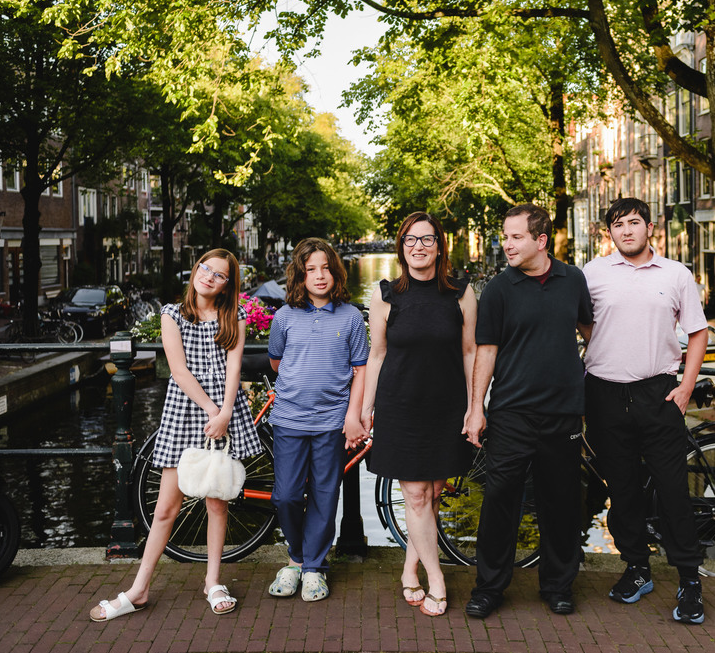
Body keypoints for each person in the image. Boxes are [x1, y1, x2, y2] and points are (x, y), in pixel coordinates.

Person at [88, 249, 262, 621]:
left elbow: (234, 370)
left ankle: (213, 581)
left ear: (228, 285)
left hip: (224, 409)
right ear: (196, 270)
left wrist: (227, 411)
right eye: (205, 269)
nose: (209, 277)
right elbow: (179, 371)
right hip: (187, 409)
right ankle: (139, 589)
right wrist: (212, 411)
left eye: (219, 275)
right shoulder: (172, 314)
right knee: (166, 507)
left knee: (217, 500)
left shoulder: (234, 317)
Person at [581, 197, 710, 624]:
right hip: (604, 395)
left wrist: (686, 386)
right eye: (618, 225)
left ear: (650, 227)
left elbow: (697, 332)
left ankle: (690, 581)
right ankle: (637, 567)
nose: (627, 231)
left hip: (658, 394)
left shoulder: (676, 274)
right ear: (609, 233)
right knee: (623, 490)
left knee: (674, 490)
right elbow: (581, 325)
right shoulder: (593, 274)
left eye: (634, 223)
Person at [462, 204, 593, 619]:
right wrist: (475, 409)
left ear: (541, 240)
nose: (507, 244)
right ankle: (489, 587)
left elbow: (593, 334)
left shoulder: (573, 280)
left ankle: (557, 585)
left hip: (563, 414)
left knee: (561, 502)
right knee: (500, 500)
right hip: (512, 413)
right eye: (504, 236)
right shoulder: (500, 288)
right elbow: (486, 350)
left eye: (515, 237)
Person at [362, 212, 477, 617]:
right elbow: (377, 355)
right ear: (401, 247)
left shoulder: (461, 293)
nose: (418, 247)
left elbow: (469, 353)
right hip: (400, 405)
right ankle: (438, 579)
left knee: (432, 493)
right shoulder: (385, 295)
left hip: (447, 405)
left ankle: (410, 568)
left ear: (439, 247)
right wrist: (365, 409)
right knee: (414, 493)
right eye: (411, 240)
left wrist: (475, 406)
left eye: (427, 240)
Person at [265, 238, 370, 602]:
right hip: (290, 419)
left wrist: (354, 416)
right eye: (311, 269)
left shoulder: (352, 316)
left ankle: (314, 568)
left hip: (331, 422)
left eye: (325, 267)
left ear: (335, 271)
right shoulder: (283, 317)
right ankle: (297, 558)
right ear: (300, 274)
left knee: (326, 495)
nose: (319, 275)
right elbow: (277, 363)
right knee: (287, 496)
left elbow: (361, 371)